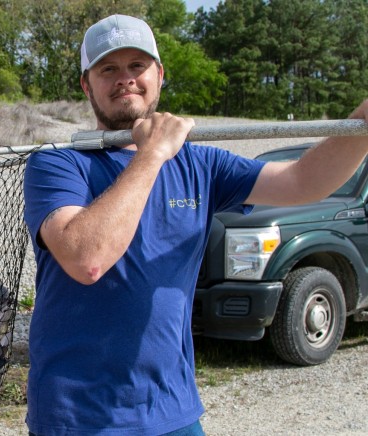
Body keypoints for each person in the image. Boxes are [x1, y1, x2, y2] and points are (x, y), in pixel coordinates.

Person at [22, 14, 368, 436]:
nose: (125, 79)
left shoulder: (201, 164)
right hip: (77, 416)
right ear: (86, 84)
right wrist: (151, 154)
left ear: (160, 75)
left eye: (137, 66)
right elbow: (87, 259)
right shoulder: (56, 164)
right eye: (108, 69)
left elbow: (303, 181)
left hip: (173, 410)